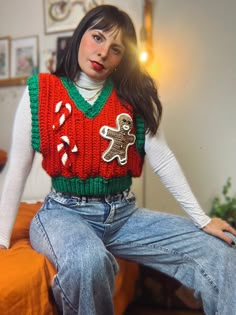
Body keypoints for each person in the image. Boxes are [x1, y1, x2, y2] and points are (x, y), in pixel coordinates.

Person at [0, 4, 236, 315]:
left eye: (115, 49)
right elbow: (17, 168)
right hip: (63, 214)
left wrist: (202, 220)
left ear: (122, 58)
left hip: (123, 215)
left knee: (220, 251)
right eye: (97, 38)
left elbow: (162, 160)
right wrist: (2, 239)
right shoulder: (42, 92)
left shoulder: (133, 97)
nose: (102, 53)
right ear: (79, 37)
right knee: (88, 261)